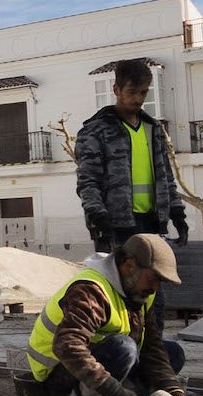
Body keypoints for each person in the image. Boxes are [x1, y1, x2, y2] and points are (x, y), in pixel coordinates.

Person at [15, 234, 196, 396]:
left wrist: (174, 390)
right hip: (57, 374)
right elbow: (68, 346)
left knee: (173, 353)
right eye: (154, 278)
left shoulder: (141, 292)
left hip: (94, 367)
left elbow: (151, 347)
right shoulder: (91, 289)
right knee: (124, 348)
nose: (156, 287)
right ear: (129, 266)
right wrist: (117, 392)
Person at [75, 58, 188, 252]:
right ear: (116, 90)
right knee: (118, 282)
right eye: (131, 92)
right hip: (113, 227)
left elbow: (166, 177)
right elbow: (88, 182)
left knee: (149, 281)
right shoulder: (94, 131)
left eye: (143, 92)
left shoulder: (153, 128)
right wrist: (98, 220)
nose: (138, 99)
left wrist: (177, 213)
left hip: (153, 224)